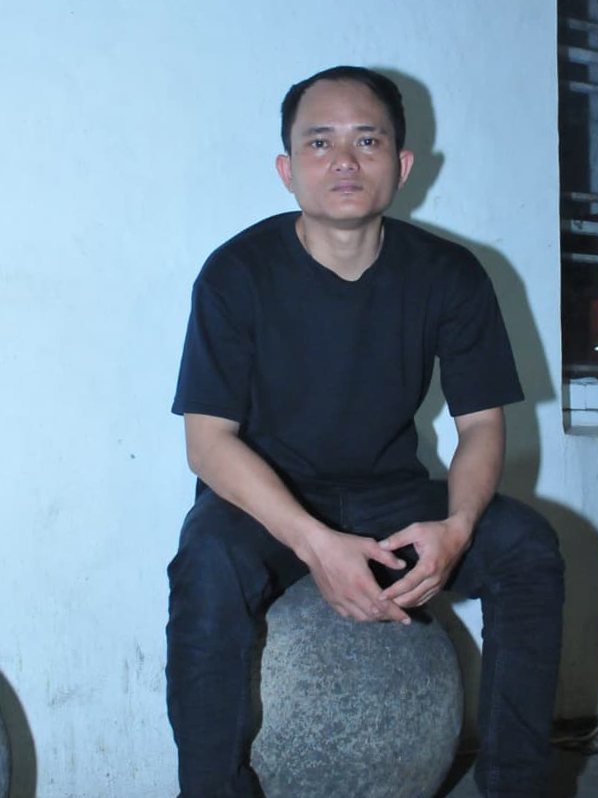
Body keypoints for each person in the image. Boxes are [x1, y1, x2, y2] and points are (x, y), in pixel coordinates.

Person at [166, 65, 564, 798]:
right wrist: (314, 542)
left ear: (402, 166)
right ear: (287, 170)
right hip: (272, 501)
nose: (344, 160)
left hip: (390, 494)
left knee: (526, 547)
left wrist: (458, 528)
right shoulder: (235, 274)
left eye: (367, 141)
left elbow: (480, 425)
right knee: (207, 561)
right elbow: (208, 442)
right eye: (319, 143)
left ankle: (517, 786)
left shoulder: (451, 275)